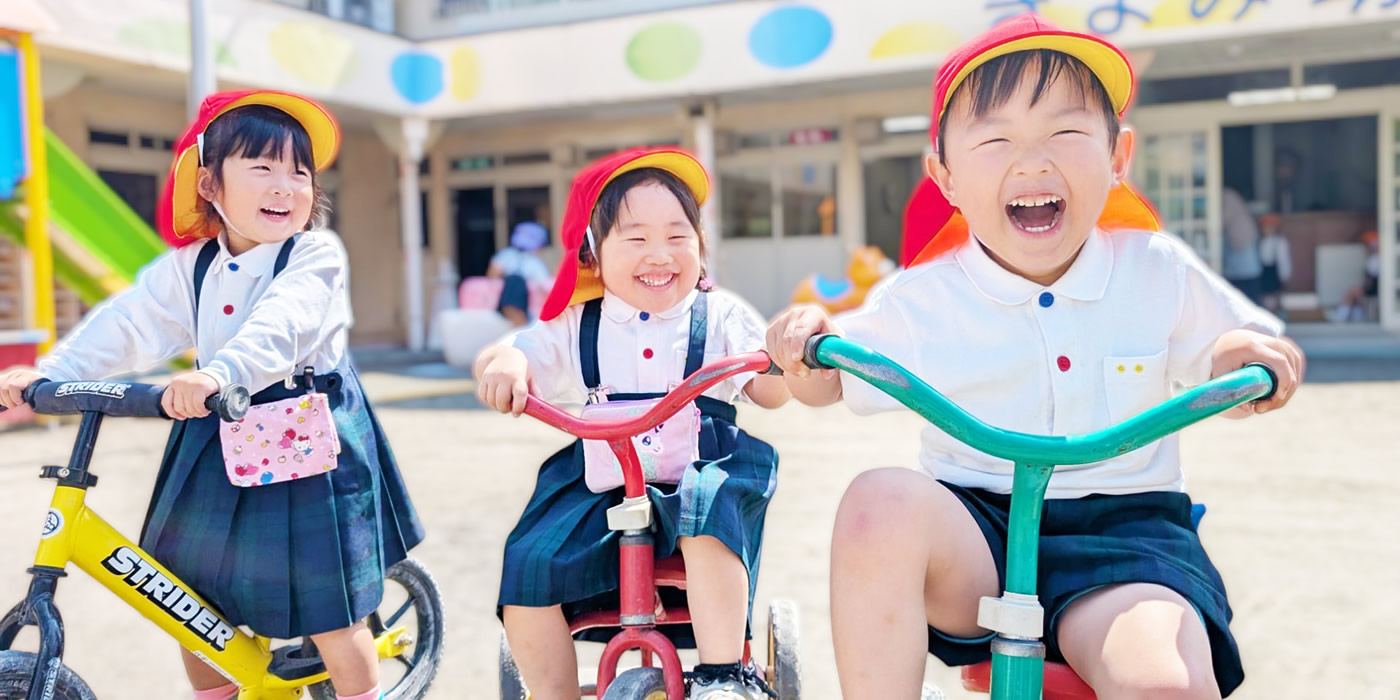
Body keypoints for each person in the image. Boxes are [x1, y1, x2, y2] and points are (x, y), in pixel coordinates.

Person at [765, 16, 1303, 700]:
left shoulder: (1153, 267)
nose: (1033, 161)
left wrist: (1245, 359)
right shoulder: (924, 295)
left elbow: (1234, 344)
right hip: (978, 537)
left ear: (1118, 157)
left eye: (1066, 132)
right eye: (995, 139)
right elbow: (833, 380)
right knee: (879, 502)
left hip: (1124, 535)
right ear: (946, 177)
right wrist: (805, 352)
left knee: (1163, 683)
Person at [0, 90, 424, 700]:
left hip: (302, 432)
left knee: (330, 610)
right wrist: (48, 375)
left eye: (298, 172)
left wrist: (219, 374)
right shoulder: (191, 266)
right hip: (215, 429)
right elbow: (127, 323)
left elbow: (284, 323)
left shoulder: (314, 255)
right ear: (208, 184)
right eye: (261, 168)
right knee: (187, 599)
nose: (285, 186)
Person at [474, 148, 791, 700]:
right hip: (604, 476)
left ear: (700, 245)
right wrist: (503, 365)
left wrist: (781, 362)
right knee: (527, 558)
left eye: (677, 236)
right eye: (636, 238)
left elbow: (769, 388)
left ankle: (720, 677)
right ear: (594, 254)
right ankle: (553, 691)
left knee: (708, 506)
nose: (659, 255)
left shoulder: (718, 315)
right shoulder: (578, 324)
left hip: (701, 464)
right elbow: (517, 350)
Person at [488, 220, 554, 326]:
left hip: (505, 306)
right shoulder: (535, 262)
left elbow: (492, 274)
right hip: (521, 308)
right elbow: (546, 286)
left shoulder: (506, 254)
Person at [1221, 187, 1263, 303]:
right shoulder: (1230, 196)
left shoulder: (1226, 197)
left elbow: (1222, 219)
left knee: (1243, 292)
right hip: (1241, 248)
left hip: (1240, 249)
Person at [1329, 230, 1380, 322]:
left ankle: (1340, 317)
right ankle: (1358, 318)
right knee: (1356, 292)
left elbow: (1370, 281)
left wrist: (1363, 290)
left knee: (1352, 291)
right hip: (1375, 289)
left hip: (1374, 290)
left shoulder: (1374, 259)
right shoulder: (1375, 258)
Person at [1256, 213, 1292, 316]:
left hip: (1275, 273)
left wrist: (1284, 275)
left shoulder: (1280, 242)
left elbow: (1284, 260)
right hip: (1263, 272)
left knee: (1275, 296)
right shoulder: (1260, 241)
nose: (1266, 230)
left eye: (1269, 227)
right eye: (1264, 227)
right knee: (1264, 297)